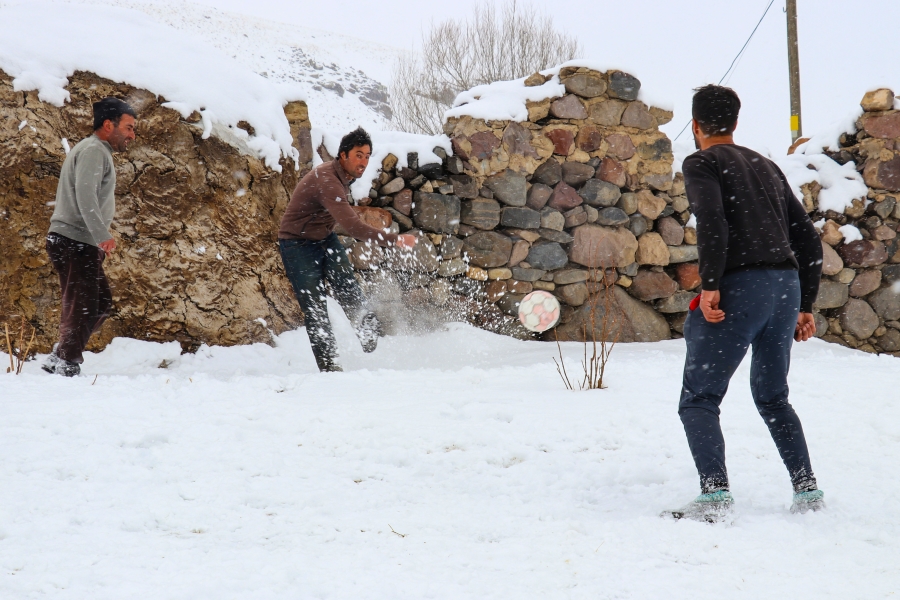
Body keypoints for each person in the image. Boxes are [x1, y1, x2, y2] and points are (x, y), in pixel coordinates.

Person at [665, 85, 825, 521]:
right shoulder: (766, 165)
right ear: (735, 123)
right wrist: (805, 304)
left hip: (742, 287)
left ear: (696, 126)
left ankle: (715, 497)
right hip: (784, 287)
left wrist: (712, 283)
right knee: (774, 397)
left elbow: (713, 220)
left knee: (699, 398)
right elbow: (808, 238)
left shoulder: (702, 162)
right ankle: (808, 493)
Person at [278, 127, 417, 372]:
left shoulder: (343, 177)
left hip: (324, 239)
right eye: (358, 155)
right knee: (315, 307)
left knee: (348, 287)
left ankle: (367, 331)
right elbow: (354, 227)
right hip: (297, 245)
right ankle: (330, 368)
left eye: (367, 156)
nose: (363, 161)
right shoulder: (328, 180)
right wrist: (394, 240)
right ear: (343, 155)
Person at [42, 97, 136, 377]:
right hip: (76, 240)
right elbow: (86, 195)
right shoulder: (95, 150)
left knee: (96, 302)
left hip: (73, 240)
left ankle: (60, 355)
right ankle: (67, 363)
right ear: (109, 125)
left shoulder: (95, 149)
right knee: (86, 303)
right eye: (129, 127)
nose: (132, 135)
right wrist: (101, 234)